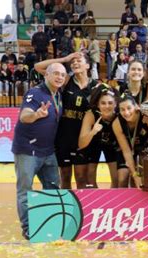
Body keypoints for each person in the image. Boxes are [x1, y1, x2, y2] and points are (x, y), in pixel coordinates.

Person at [13, 62, 66, 240]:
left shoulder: (58, 95)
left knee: (52, 187)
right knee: (25, 190)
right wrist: (36, 115)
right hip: (28, 150)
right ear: (46, 75)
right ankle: (28, 228)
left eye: (63, 75)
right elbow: (24, 116)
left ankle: (49, 223)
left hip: (48, 151)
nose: (60, 77)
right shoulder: (35, 93)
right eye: (56, 73)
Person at [35, 52, 98, 189]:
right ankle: (67, 209)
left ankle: (82, 209)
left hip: (83, 139)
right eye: (72, 61)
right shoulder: (66, 80)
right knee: (65, 176)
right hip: (64, 138)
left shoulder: (96, 87)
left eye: (78, 60)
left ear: (87, 65)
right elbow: (38, 67)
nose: (74, 63)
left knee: (82, 177)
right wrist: (64, 59)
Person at [78, 84, 120, 188]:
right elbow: (81, 144)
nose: (107, 106)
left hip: (112, 143)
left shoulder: (119, 116)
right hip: (94, 142)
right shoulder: (91, 114)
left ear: (115, 104)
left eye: (110, 103)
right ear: (97, 104)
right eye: (103, 103)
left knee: (116, 178)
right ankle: (94, 202)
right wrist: (92, 132)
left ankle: (114, 202)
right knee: (90, 176)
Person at [112, 94, 148, 188]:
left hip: (143, 150)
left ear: (136, 107)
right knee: (122, 178)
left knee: (140, 180)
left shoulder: (146, 117)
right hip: (126, 151)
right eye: (122, 109)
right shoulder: (117, 123)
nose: (126, 112)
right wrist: (134, 174)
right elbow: (126, 151)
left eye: (129, 108)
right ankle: (122, 202)